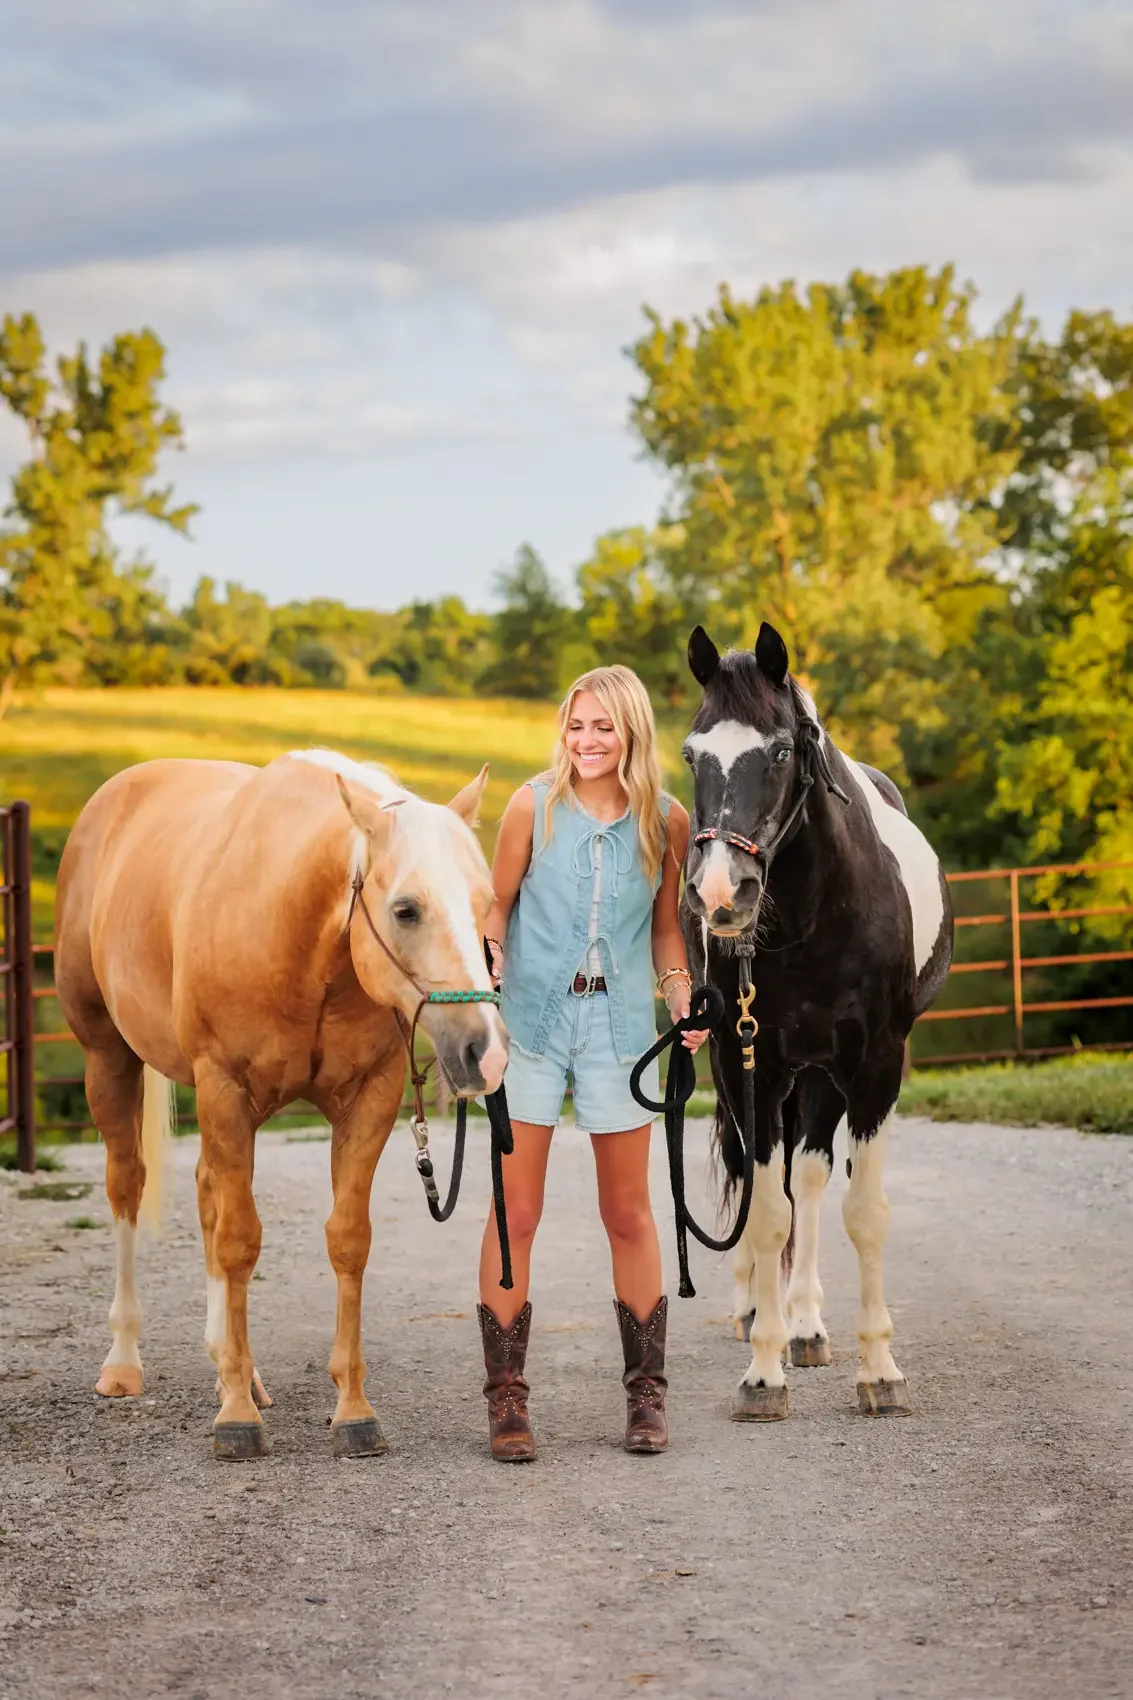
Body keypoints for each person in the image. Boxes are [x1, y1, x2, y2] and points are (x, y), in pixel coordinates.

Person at [477, 664, 708, 1462]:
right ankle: (507, 1401)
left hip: (617, 1029)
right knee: (517, 1214)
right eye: (576, 725)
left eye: (603, 727)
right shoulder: (530, 807)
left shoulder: (667, 822)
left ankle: (646, 1395)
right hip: (532, 1027)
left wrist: (682, 1000)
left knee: (629, 1214)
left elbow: (668, 934)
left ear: (631, 732)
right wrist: (490, 959)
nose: (586, 741)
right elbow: (494, 905)